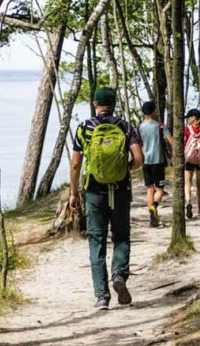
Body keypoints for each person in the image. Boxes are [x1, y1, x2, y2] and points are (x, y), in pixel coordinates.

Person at [68, 87, 144, 310]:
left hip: (93, 192)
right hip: (120, 190)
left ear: (95, 104)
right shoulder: (126, 126)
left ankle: (102, 296)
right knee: (121, 236)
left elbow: (75, 164)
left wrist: (74, 193)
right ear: (114, 103)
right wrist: (125, 170)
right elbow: (139, 159)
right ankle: (119, 275)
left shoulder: (85, 127)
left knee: (96, 242)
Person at [138, 101, 173, 227]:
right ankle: (154, 206)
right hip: (158, 161)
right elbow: (171, 141)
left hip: (145, 161)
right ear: (154, 111)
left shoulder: (140, 127)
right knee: (159, 189)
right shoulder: (160, 126)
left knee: (149, 188)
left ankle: (152, 219)